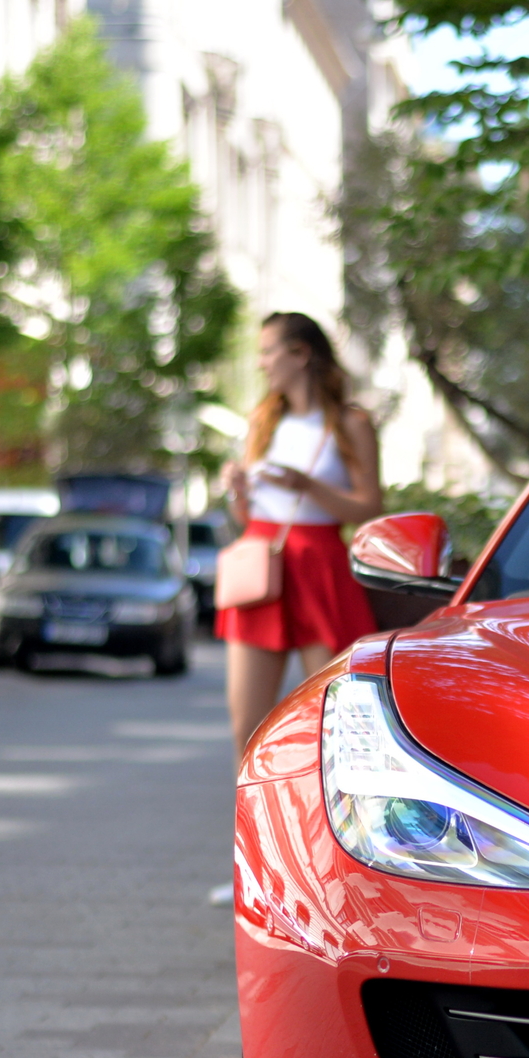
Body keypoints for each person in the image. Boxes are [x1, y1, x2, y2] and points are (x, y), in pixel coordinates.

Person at [218, 312, 383, 752]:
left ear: (301, 353)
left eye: (268, 351)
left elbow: (370, 507)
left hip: (320, 564)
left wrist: (306, 485)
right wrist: (237, 491)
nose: (261, 363)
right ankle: (248, 823)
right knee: (247, 728)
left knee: (336, 725)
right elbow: (245, 516)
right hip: (261, 562)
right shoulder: (263, 422)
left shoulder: (351, 424)